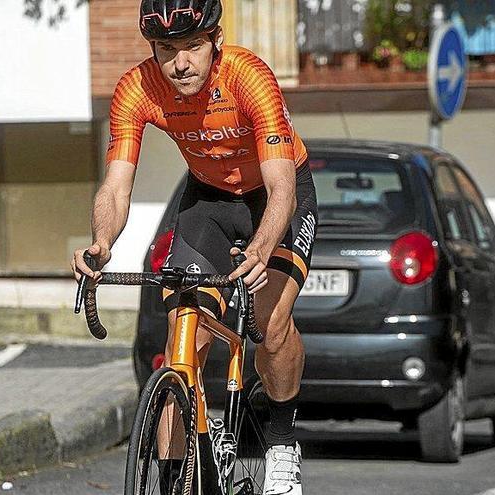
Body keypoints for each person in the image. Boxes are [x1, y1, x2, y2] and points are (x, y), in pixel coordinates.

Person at [70, 1, 315, 493]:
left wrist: (262, 249)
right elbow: (116, 186)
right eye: (166, 50)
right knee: (182, 341)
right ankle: (174, 474)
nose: (179, 64)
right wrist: (101, 243)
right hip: (207, 203)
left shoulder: (250, 77)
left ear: (215, 41)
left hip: (275, 197)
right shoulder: (135, 89)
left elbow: (282, 187)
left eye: (192, 47)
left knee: (269, 322)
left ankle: (282, 442)